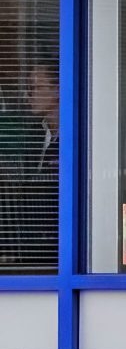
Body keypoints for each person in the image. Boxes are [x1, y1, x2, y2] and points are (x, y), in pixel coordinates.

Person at [0, 60, 60, 272]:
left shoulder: (75, 138)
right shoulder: (34, 134)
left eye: (36, 87)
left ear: (58, 90)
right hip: (31, 245)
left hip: (60, 246)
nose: (29, 95)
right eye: (28, 88)